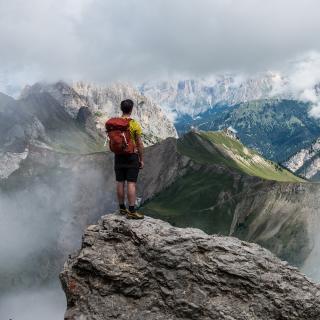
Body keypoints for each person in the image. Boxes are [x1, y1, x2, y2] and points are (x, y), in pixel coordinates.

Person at [105, 99, 144, 219]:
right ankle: (131, 211)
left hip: (118, 156)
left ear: (122, 109)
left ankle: (122, 208)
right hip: (131, 156)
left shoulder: (115, 124)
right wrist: (141, 159)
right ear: (131, 109)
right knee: (131, 183)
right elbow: (139, 143)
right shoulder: (134, 124)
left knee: (120, 182)